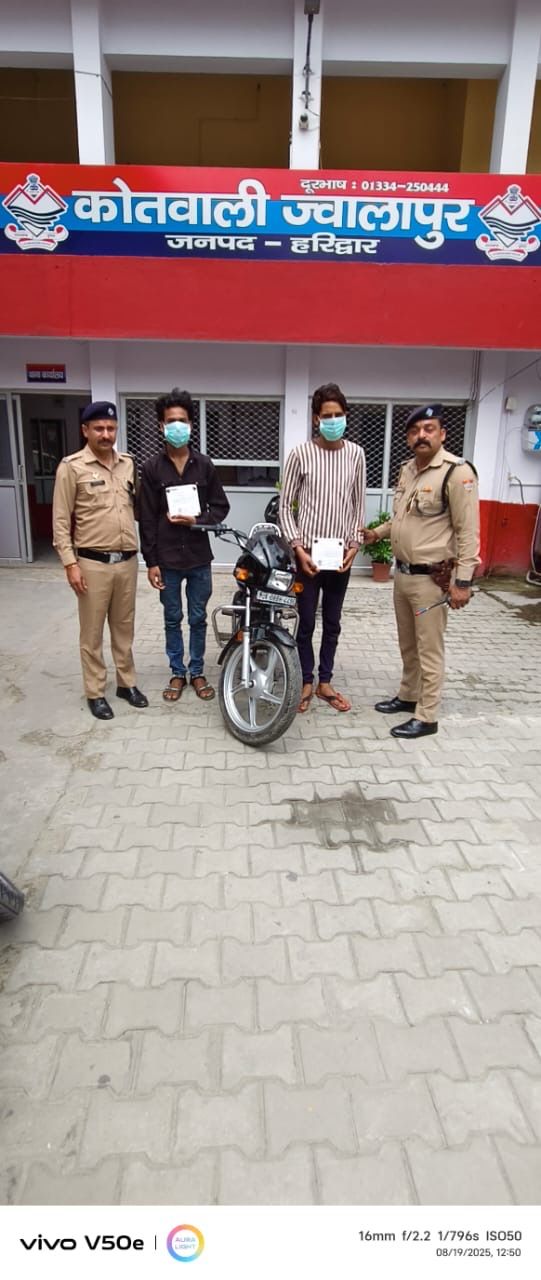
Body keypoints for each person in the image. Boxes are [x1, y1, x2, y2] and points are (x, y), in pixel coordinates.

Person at [364, 403, 480, 739]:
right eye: (415, 431)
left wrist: (463, 582)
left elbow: (468, 531)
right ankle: (408, 695)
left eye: (429, 429)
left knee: (429, 647)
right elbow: (401, 518)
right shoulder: (408, 470)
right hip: (402, 576)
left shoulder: (457, 473)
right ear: (408, 438)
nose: (421, 435)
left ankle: (427, 716)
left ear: (442, 434)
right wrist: (376, 534)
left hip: (431, 579)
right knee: (408, 644)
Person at [52, 401, 148, 721]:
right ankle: (95, 691)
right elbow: (61, 521)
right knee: (92, 632)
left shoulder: (128, 464)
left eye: (110, 428)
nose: (106, 434)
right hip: (91, 564)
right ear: (85, 430)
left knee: (124, 628)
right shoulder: (72, 467)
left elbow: (140, 507)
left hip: (127, 562)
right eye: (99, 429)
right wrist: (70, 564)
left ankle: (126, 684)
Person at [138, 387, 230, 703]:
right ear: (161, 426)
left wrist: (197, 519)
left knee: (198, 617)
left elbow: (221, 507)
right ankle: (177, 672)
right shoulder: (151, 468)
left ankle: (197, 671)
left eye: (182, 421)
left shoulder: (204, 465)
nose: (177, 426)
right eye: (170, 421)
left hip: (198, 557)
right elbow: (147, 517)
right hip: (167, 559)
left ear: (191, 425)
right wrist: (151, 561)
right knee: (172, 617)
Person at [280, 382, 366, 713]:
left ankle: (325, 682)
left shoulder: (356, 454)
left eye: (338, 415)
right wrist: (297, 548)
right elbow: (285, 506)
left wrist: (354, 545)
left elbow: (358, 504)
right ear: (316, 418)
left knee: (332, 622)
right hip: (308, 557)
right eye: (326, 415)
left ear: (346, 415)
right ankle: (305, 680)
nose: (333, 421)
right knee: (306, 622)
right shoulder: (300, 454)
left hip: (340, 558)